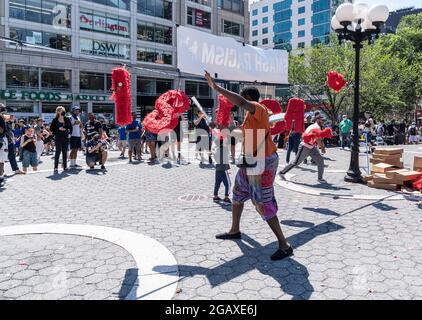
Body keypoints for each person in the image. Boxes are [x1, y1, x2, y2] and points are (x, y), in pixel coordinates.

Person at [205, 71, 293, 261]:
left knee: (262, 202)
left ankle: (284, 245)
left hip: (263, 162)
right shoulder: (250, 118)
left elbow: (241, 103)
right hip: (249, 161)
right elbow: (244, 134)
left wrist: (217, 88)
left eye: (242, 100)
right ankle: (235, 230)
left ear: (248, 98)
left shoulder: (258, 109)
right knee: (237, 194)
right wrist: (222, 129)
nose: (239, 105)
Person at [279, 115, 327, 184]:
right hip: (305, 146)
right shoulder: (316, 127)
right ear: (318, 120)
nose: (323, 122)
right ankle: (281, 172)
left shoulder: (315, 126)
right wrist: (322, 148)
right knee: (296, 162)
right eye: (322, 120)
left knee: (320, 160)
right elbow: (318, 139)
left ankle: (320, 178)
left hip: (311, 146)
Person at [0, 104, 24, 177]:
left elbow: (11, 129)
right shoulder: (2, 118)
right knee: (2, 157)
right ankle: (2, 172)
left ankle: (15, 169)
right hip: (3, 139)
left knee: (10, 155)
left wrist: (11, 121)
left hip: (8, 139)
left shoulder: (6, 119)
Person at [50, 106, 72, 173]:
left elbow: (70, 127)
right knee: (58, 152)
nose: (63, 112)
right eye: (61, 111)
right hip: (58, 137)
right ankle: (56, 167)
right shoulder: (55, 119)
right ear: (58, 112)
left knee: (65, 152)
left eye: (63, 110)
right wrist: (58, 128)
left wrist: (69, 134)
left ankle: (65, 166)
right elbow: (51, 129)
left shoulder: (67, 119)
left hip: (65, 137)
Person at [212, 127, 231, 204]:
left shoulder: (217, 149)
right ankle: (226, 197)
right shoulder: (225, 149)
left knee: (217, 183)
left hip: (217, 168)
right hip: (223, 169)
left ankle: (215, 196)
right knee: (228, 184)